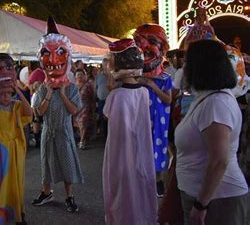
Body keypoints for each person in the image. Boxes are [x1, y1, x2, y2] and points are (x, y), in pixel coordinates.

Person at [175, 39, 248, 224]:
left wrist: (201, 205)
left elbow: (219, 161)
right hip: (207, 198)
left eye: (187, 62)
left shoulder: (216, 104)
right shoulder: (208, 98)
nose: (183, 67)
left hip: (217, 201)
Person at [31, 16, 84, 213]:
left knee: (67, 164)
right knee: (46, 164)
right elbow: (39, 112)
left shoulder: (71, 88)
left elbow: (74, 110)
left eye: (60, 52)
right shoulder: (42, 89)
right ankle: (47, 192)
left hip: (65, 132)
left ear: (67, 56)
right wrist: (49, 94)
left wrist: (62, 94)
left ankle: (69, 196)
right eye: (47, 53)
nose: (53, 59)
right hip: (48, 131)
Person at [102, 39, 157, 224]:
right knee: (140, 181)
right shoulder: (143, 91)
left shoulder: (117, 95)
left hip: (120, 150)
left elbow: (107, 115)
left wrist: (111, 87)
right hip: (140, 145)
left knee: (122, 186)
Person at [0, 53, 33, 224]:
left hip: (15, 151)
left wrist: (17, 89)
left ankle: (17, 214)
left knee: (15, 184)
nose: (5, 96)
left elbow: (30, 113)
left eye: (8, 93)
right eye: (2, 94)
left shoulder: (17, 106)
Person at [134, 24, 173, 198]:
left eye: (152, 41)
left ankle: (158, 180)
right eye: (138, 42)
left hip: (159, 119)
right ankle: (141, 179)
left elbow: (168, 99)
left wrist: (151, 85)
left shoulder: (165, 78)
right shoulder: (134, 77)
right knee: (139, 147)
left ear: (162, 48)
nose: (144, 46)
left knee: (157, 147)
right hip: (139, 119)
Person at [74, 69, 96, 149]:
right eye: (78, 74)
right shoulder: (73, 86)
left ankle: (82, 141)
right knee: (78, 125)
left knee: (83, 123)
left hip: (85, 107)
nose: (79, 76)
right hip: (75, 108)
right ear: (75, 76)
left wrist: (92, 107)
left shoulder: (88, 85)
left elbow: (92, 96)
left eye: (81, 74)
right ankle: (84, 137)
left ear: (84, 76)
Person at [95, 59, 111, 138]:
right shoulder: (99, 76)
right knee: (102, 118)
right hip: (101, 100)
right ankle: (105, 136)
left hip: (110, 101)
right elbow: (96, 87)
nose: (105, 66)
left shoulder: (113, 75)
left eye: (106, 64)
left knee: (109, 119)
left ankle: (109, 136)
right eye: (104, 64)